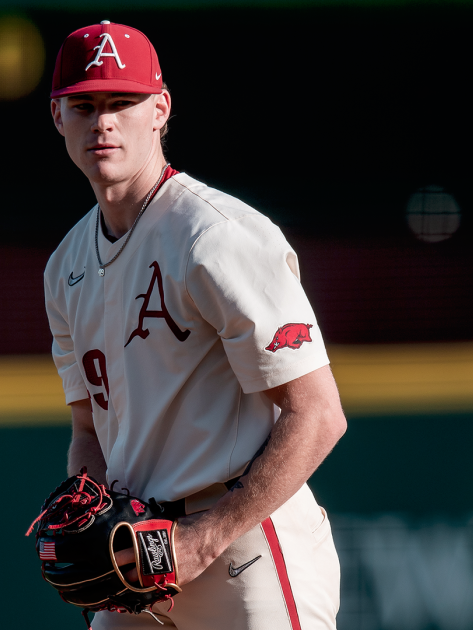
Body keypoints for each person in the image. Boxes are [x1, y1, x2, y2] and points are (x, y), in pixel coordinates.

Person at [43, 20, 347, 630]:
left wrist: (204, 539)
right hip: (138, 552)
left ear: (160, 110)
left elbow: (318, 414)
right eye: (84, 105)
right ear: (58, 117)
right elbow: (89, 429)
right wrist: (85, 516)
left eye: (121, 102)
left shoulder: (216, 236)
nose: (102, 121)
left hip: (247, 543)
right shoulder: (64, 266)